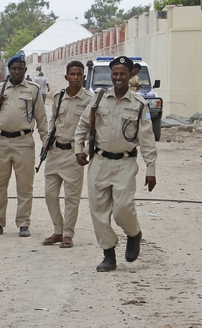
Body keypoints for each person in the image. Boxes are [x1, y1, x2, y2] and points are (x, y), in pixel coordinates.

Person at [74, 56, 157, 272]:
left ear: (130, 76)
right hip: (99, 161)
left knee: (122, 208)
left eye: (122, 73)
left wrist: (151, 168)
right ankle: (108, 254)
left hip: (125, 163)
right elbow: (83, 124)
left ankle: (133, 233)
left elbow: (147, 139)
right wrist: (78, 149)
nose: (118, 77)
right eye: (115, 73)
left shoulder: (139, 104)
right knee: (98, 210)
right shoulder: (99, 98)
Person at [0, 53, 48, 238]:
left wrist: (45, 140)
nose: (17, 71)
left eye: (20, 68)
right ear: (9, 70)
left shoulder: (34, 89)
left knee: (24, 185)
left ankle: (23, 223)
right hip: (1, 142)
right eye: (14, 69)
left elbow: (42, 118)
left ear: (25, 70)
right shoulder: (0, 87)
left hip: (24, 142)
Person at [42, 60, 93, 248]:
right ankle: (58, 229)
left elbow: (93, 129)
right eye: (72, 74)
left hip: (74, 154)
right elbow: (54, 118)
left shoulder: (89, 100)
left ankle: (68, 234)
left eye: (79, 74)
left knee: (72, 198)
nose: (76, 77)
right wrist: (47, 139)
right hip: (55, 152)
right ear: (66, 77)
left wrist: (84, 151)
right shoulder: (59, 96)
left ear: (84, 77)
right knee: (49, 194)